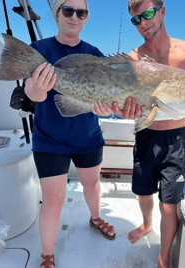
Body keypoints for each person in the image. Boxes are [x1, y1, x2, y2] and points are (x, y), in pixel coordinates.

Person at [96, 0, 185, 267]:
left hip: (177, 139)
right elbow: (128, 105)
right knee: (143, 191)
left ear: (162, 10)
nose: (143, 23)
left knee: (169, 204)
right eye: (136, 19)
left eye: (147, 14)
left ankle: (163, 258)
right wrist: (123, 111)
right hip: (146, 134)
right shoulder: (133, 59)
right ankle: (147, 224)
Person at [24, 0, 116, 267]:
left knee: (93, 185)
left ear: (86, 18)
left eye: (81, 12)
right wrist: (39, 89)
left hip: (87, 136)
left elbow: (104, 97)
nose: (75, 17)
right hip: (49, 140)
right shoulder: (40, 50)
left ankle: (95, 218)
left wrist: (105, 107)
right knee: (53, 200)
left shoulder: (95, 53)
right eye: (68, 10)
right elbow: (32, 94)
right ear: (58, 14)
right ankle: (47, 255)